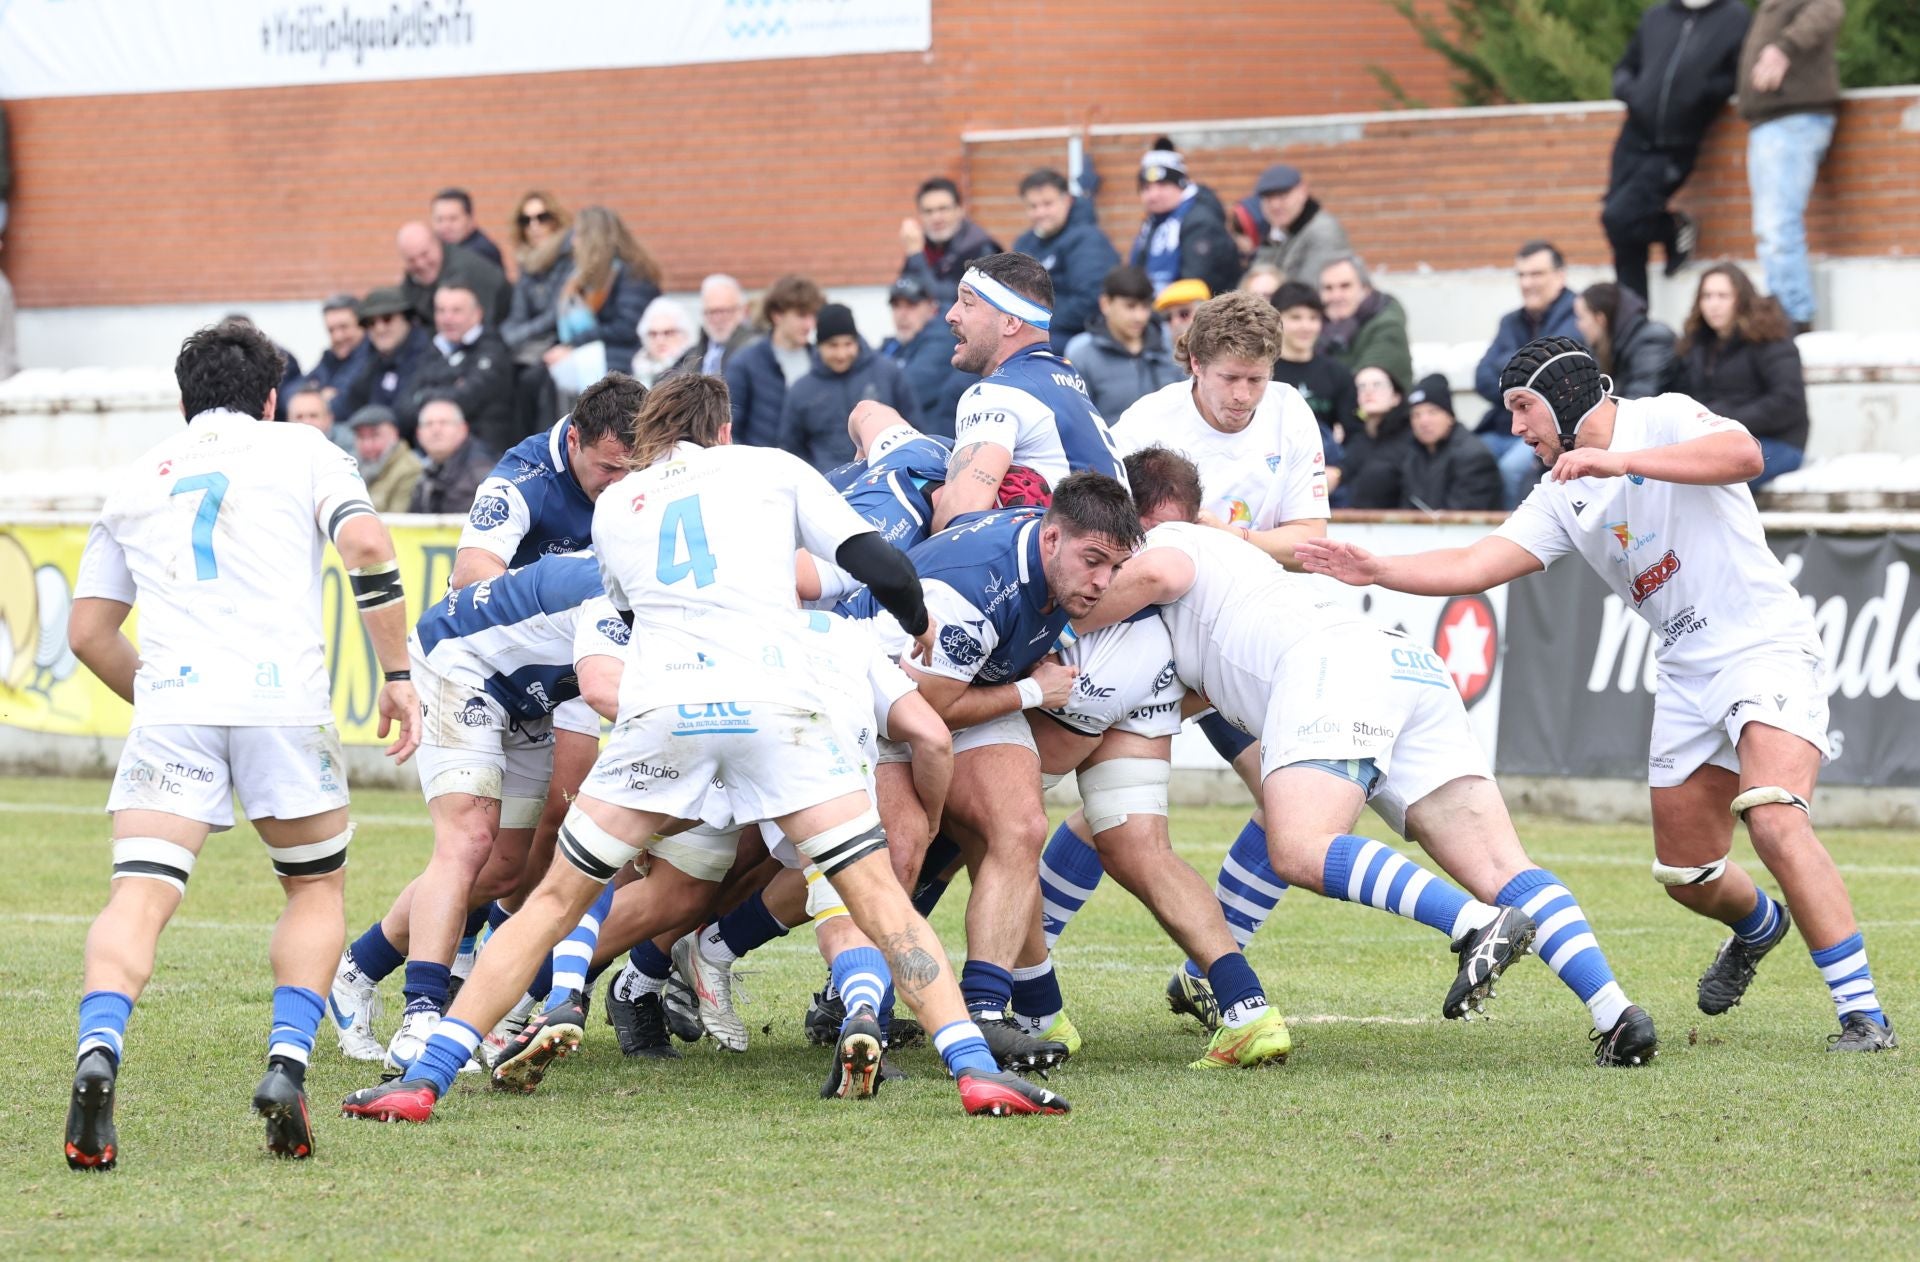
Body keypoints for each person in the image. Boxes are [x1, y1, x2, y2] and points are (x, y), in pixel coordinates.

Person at [341, 374, 1071, 1122]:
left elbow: (622, 615)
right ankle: (976, 1072)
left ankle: (425, 1078)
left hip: (663, 710)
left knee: (555, 900)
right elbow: (878, 562)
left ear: (650, 438)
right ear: (723, 430)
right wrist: (914, 616)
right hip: (774, 711)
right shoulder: (772, 467)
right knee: (883, 898)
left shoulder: (617, 507)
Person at [1299, 335, 1896, 1055]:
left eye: (1525, 408)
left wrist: (1616, 460)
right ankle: (1759, 926)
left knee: (1772, 819)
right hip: (1683, 668)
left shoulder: (1664, 416)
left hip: (1763, 648)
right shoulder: (1559, 492)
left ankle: (1864, 1017)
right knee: (1686, 874)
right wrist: (1378, 569)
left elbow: (1747, 456)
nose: (1517, 427)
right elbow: (1475, 561)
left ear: (1567, 398)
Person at [1090, 445, 1656, 1065]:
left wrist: (1066, 618)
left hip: (1329, 669)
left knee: (1300, 846)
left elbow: (1155, 575)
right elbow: (1191, 689)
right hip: (1399, 661)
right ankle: (1617, 1013)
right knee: (1502, 865)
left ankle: (1471, 924)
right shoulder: (1233, 564)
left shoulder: (1166, 540)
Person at [61, 319, 421, 1170]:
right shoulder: (303, 448)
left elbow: (88, 632)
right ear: (269, 397)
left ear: (184, 400)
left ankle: (98, 1051)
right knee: (314, 888)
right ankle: (287, 1064)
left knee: (139, 895)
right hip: (281, 707)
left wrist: (156, 693)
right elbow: (367, 542)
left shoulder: (137, 475)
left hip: (176, 706)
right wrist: (397, 674)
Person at [836, 475, 1140, 1072]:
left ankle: (984, 1013)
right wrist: (1030, 689)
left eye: (1116, 567)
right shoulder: (973, 592)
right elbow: (928, 713)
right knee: (897, 855)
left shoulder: (1055, 547)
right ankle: (851, 1008)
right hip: (888, 700)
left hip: (969, 683)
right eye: (1093, 561)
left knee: (1021, 827)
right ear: (1051, 539)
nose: (1103, 583)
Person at [341, 551, 617, 1076]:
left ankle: (359, 966)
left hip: (536, 694)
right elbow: (470, 567)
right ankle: (422, 1015)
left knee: (509, 869)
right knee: (468, 841)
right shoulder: (620, 583)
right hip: (461, 660)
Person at [1110, 290, 1329, 559]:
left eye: (1256, 380)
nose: (1242, 395)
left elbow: (1311, 540)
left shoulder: (1290, 409)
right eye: (1229, 377)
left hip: (1265, 587)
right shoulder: (1146, 420)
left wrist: (1231, 537)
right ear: (1196, 363)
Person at [928, 252, 1129, 532]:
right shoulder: (1060, 378)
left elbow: (957, 520)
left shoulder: (998, 392)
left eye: (967, 302)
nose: (951, 314)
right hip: (1109, 556)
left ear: (1010, 323)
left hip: (1077, 561)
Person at [1602, 0, 1751, 300]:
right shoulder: (1658, 15)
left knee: (1618, 218)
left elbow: (1737, 75)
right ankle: (1633, 320)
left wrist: (1700, 96)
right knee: (1622, 234)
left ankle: (1672, 228)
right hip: (1633, 136)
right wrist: (1635, 93)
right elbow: (1626, 67)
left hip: (1676, 144)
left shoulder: (1734, 16)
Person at [451, 372, 646, 587]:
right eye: (607, 468)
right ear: (573, 439)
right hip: (500, 615)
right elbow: (468, 572)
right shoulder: (519, 482)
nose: (620, 483)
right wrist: (554, 599)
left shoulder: (665, 460)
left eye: (634, 468)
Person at [1739, 0, 1844, 332]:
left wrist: (1782, 49)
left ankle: (1792, 318)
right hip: (1775, 121)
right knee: (1771, 227)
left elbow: (1830, 9)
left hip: (1793, 119)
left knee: (1777, 226)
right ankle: (1785, 314)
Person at [1675, 263, 1809, 486]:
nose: (1713, 304)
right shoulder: (1698, 343)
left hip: (1776, 443)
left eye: (1723, 296)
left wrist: (1725, 421)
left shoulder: (1771, 337)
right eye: (1706, 296)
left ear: (1741, 299)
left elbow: (1787, 401)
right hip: (1715, 440)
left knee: (1711, 475)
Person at [1475, 241, 1583, 506]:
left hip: (1549, 430)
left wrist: (1507, 365)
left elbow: (1552, 381)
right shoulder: (1511, 321)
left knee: (1513, 469)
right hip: (1502, 425)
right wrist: (1521, 375)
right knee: (1467, 458)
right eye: (1521, 275)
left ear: (1560, 275)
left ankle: (1514, 540)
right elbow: (1481, 378)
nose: (1526, 283)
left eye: (1535, 274)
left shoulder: (1578, 315)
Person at [778, 303, 919, 473]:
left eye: (847, 344)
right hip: (827, 487)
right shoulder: (801, 390)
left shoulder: (887, 374)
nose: (841, 354)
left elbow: (915, 427)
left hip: (885, 479)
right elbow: (791, 450)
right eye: (833, 345)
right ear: (819, 346)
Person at [543, 205, 661, 390]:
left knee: (545, 377)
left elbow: (626, 328)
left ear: (594, 239)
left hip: (626, 356)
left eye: (579, 235)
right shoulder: (589, 277)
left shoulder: (634, 276)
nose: (573, 242)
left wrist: (574, 345)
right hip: (601, 351)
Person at [1011, 168, 1118, 353]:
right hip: (1038, 328)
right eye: (1033, 206)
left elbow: (1091, 302)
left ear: (1067, 201)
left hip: (1079, 334)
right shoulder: (1024, 243)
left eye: (1047, 204)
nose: (1041, 212)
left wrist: (1034, 319)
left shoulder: (1088, 240)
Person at [399, 285, 514, 452]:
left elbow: (466, 397)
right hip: (428, 455)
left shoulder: (493, 350)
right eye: (441, 311)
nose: (447, 318)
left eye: (456, 311)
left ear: (477, 314)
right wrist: (451, 384)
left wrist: (423, 394)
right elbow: (402, 406)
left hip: (483, 455)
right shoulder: (430, 349)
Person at [1064, 265, 1181, 422]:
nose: (1139, 316)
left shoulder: (1168, 343)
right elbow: (1077, 421)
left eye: (1145, 307)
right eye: (1130, 306)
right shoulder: (1082, 353)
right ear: (1105, 304)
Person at [1127, 139, 1239, 300]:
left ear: (1181, 184)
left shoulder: (1201, 222)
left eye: (1162, 185)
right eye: (1146, 188)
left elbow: (1196, 283)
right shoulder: (1153, 223)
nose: (1153, 195)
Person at [501, 190, 574, 429]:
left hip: (561, 340)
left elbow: (556, 314)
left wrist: (516, 335)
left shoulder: (569, 259)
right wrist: (508, 337)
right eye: (526, 220)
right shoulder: (527, 264)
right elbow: (517, 315)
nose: (534, 226)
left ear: (556, 219)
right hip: (533, 344)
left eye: (541, 217)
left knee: (533, 379)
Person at [725, 274, 825, 449]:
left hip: (812, 471)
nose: (809, 324)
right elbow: (729, 428)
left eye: (813, 315)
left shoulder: (820, 360)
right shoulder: (745, 363)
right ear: (777, 315)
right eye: (801, 315)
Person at [1268, 281, 1354, 468]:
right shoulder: (1261, 372)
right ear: (1277, 319)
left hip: (1324, 472)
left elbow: (1356, 435)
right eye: (1296, 317)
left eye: (1313, 318)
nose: (1306, 326)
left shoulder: (1337, 373)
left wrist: (1339, 473)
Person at [879, 275, 971, 436]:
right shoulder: (896, 345)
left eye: (911, 305)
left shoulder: (943, 340)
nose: (902, 315)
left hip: (934, 443)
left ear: (932, 308)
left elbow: (906, 389)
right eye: (896, 306)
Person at [1399, 375, 1503, 511]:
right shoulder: (1413, 454)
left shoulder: (1474, 457)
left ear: (1449, 416)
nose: (1423, 422)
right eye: (1416, 415)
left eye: (1432, 412)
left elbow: (1462, 517)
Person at [899, 176, 1003, 309]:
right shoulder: (923, 246)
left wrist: (916, 256)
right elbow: (903, 296)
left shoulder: (981, 248)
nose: (936, 218)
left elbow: (950, 301)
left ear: (960, 210)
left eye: (943, 209)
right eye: (928, 211)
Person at [1248, 164, 1351, 291]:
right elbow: (1252, 282)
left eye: (1282, 195)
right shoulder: (1281, 230)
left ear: (1302, 191)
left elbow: (1309, 292)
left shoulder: (1323, 232)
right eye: (1268, 198)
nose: (1275, 205)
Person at [1317, 257, 1412, 390]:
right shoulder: (1317, 324)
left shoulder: (1387, 325)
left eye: (1345, 286)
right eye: (1328, 288)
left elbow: (1365, 383)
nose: (1336, 296)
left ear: (1365, 289)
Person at [1575, 281, 1678, 400]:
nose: (1578, 325)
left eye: (1581, 318)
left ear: (1600, 319)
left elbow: (1639, 400)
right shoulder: (1607, 345)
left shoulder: (1652, 341)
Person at [343, 286, 432, 423]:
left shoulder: (429, 357)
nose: (380, 329)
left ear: (407, 319)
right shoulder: (372, 360)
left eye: (387, 319)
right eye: (371, 323)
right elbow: (349, 403)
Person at [397, 221, 508, 328]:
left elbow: (484, 326)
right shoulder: (413, 281)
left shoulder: (467, 270)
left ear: (437, 243)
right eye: (411, 260)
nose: (420, 264)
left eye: (425, 254)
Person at [1338, 365, 1412, 509]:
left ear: (1396, 397)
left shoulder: (1412, 439)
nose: (1368, 391)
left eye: (1377, 385)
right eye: (1361, 386)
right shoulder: (1355, 440)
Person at [408, 398, 495, 514]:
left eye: (444, 423)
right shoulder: (423, 471)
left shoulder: (481, 472)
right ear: (418, 434)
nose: (436, 430)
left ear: (463, 429)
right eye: (428, 424)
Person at [303, 294, 372, 424]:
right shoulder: (330, 358)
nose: (337, 336)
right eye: (331, 330)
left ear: (362, 324)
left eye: (344, 327)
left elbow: (343, 405)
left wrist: (317, 399)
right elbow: (300, 391)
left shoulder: (373, 357)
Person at [674, 274, 756, 376]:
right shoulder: (694, 353)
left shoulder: (753, 349)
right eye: (711, 312)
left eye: (724, 311)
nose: (717, 319)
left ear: (742, 311)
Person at [348, 403, 423, 513]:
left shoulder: (409, 469)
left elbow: (398, 519)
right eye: (361, 437)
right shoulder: (350, 467)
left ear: (394, 434)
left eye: (375, 435)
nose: (367, 445)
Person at [430, 187, 504, 271]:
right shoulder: (438, 250)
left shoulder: (481, 253)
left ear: (470, 220)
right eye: (439, 219)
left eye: (453, 219)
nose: (445, 226)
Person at [633, 296, 695, 387]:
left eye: (668, 333)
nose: (660, 341)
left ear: (684, 335)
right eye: (653, 334)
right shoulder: (638, 368)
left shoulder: (693, 370)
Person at [1154, 278, 1209, 359]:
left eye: (1184, 314)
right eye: (1168, 318)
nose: (1175, 323)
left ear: (1206, 314)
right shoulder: (1157, 359)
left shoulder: (1226, 352)